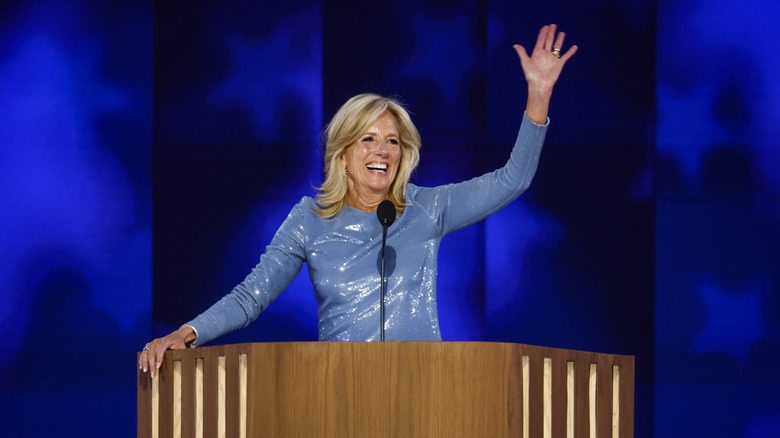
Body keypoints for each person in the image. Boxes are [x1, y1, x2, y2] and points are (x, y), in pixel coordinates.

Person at [140, 24, 577, 377]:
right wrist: (188, 332)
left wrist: (539, 95)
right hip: (341, 393)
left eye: (392, 141)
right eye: (368, 139)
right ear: (343, 153)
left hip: (427, 389)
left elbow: (512, 180)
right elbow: (250, 297)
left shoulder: (427, 208)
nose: (382, 151)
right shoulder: (309, 219)